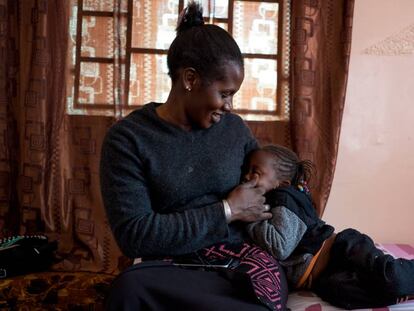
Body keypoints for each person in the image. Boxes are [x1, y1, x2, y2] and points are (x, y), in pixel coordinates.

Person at [99, 2, 288, 310]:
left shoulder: (235, 131)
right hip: (174, 269)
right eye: (224, 93)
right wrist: (226, 211)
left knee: (261, 287)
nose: (229, 107)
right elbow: (135, 235)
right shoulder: (128, 139)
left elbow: (270, 191)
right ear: (190, 80)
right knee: (130, 288)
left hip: (239, 267)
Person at [244, 144, 414, 309]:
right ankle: (403, 293)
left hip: (342, 250)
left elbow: (280, 247)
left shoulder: (284, 198)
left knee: (390, 276)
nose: (246, 176)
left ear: (283, 183)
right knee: (348, 296)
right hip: (322, 278)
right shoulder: (271, 201)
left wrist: (249, 216)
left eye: (255, 172)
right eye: (247, 170)